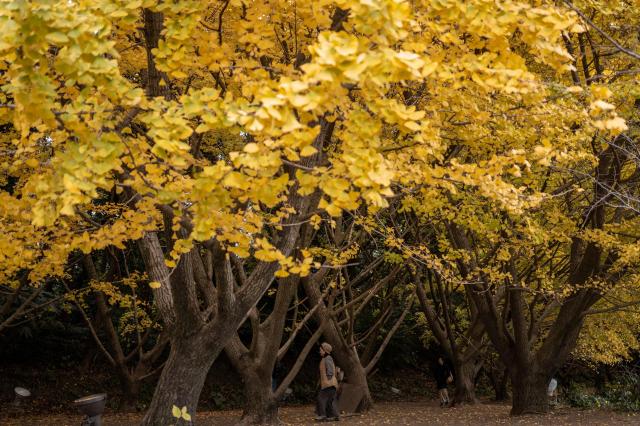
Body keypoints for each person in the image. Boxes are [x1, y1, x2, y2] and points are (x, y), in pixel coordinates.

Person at [316, 342, 340, 422]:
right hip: (329, 383)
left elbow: (330, 370)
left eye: (321, 350)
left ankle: (323, 415)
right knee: (330, 401)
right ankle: (334, 416)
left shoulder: (328, 358)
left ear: (325, 350)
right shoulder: (325, 358)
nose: (320, 351)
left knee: (321, 398)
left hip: (329, 383)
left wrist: (328, 378)